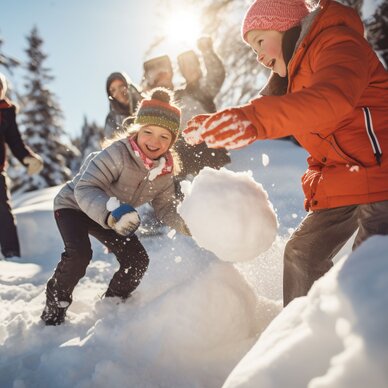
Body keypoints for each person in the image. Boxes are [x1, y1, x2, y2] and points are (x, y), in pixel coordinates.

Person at [183, 0, 388, 306]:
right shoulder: (292, 83)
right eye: (253, 50)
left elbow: (330, 99)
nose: (259, 57)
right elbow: (304, 128)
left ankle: (362, 341)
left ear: (287, 27)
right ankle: (295, 336)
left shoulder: (338, 43)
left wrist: (253, 119)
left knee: (366, 273)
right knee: (301, 253)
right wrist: (219, 121)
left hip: (383, 175)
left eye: (260, 41)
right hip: (352, 177)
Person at [41, 88, 190, 326]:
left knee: (137, 260)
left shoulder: (164, 173)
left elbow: (165, 208)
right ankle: (54, 309)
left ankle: (112, 305)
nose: (154, 141)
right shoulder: (118, 153)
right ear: (137, 130)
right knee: (79, 255)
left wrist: (186, 223)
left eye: (164, 136)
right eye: (148, 132)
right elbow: (86, 187)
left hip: (114, 214)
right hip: (74, 205)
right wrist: (111, 215)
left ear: (172, 141)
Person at [0, 72, 43, 259]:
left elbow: (15, 140)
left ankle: (11, 254)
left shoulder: (6, 111)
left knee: (3, 211)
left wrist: (27, 157)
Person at [174, 37, 231, 180]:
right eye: (185, 66)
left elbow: (216, 75)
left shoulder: (204, 88)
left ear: (199, 65)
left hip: (207, 144)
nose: (190, 68)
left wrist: (207, 51)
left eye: (192, 63)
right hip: (183, 148)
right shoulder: (178, 95)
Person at [104, 72, 143, 137]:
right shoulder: (111, 120)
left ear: (128, 85)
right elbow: (111, 142)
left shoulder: (146, 101)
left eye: (121, 86)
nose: (118, 92)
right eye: (113, 90)